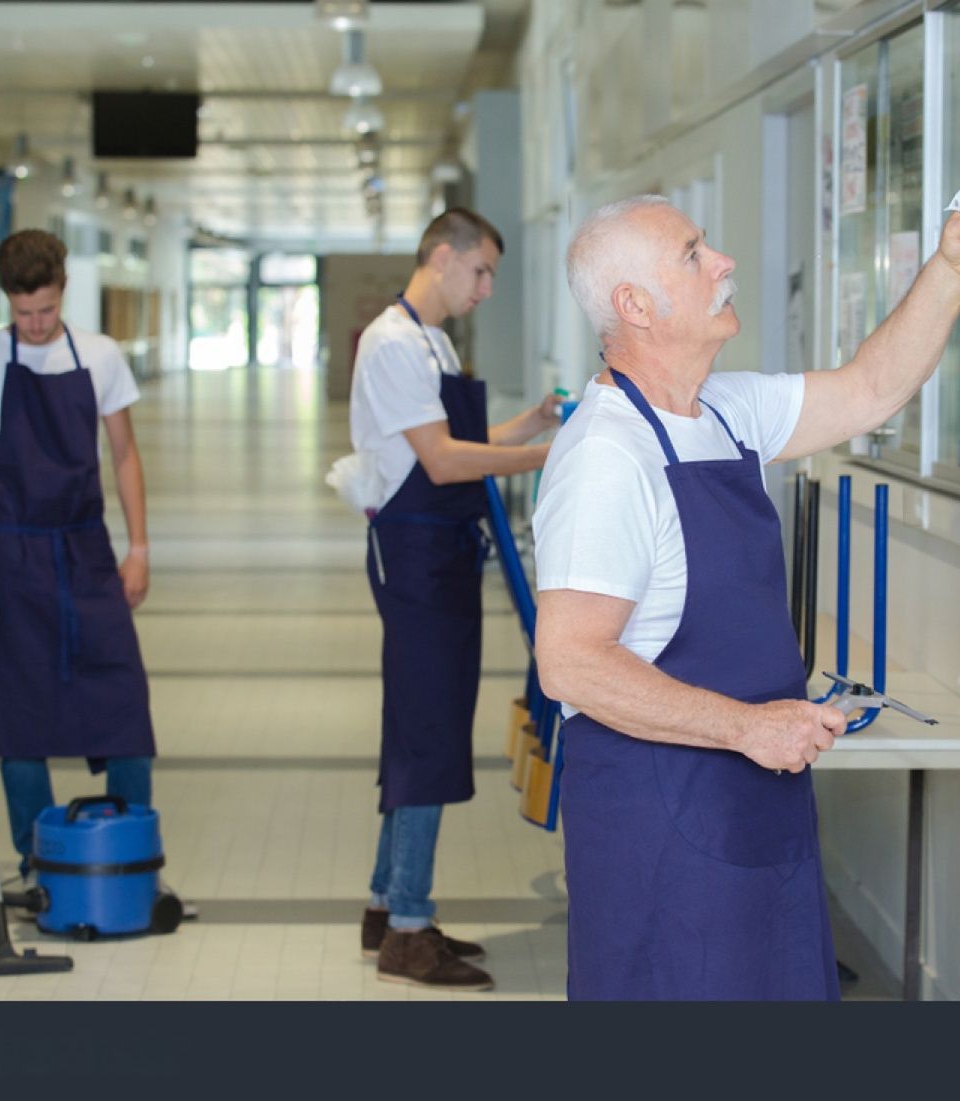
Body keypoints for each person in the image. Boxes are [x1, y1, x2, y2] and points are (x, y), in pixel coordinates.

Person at [532, 191, 960, 1000]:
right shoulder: (605, 458)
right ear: (635, 306)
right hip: (661, 825)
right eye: (693, 253)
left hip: (760, 805)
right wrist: (746, 726)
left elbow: (869, 389)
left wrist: (948, 269)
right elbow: (571, 664)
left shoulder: (725, 411)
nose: (723, 264)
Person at [350, 208, 558, 991]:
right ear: (443, 257)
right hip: (416, 556)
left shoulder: (431, 341)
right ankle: (408, 927)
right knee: (428, 733)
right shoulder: (393, 342)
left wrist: (529, 423)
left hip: (441, 553)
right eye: (481, 271)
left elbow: (450, 437)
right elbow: (439, 461)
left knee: (417, 727)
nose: (487, 288)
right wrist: (546, 453)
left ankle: (386, 906)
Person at [0, 229, 155, 880]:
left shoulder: (101, 356)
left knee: (124, 702)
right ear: (8, 303)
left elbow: (125, 455)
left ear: (63, 291)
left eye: (46, 309)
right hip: (13, 559)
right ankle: (36, 861)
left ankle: (130, 851)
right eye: (24, 313)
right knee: (19, 717)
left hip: (86, 554)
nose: (38, 323)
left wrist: (139, 547)